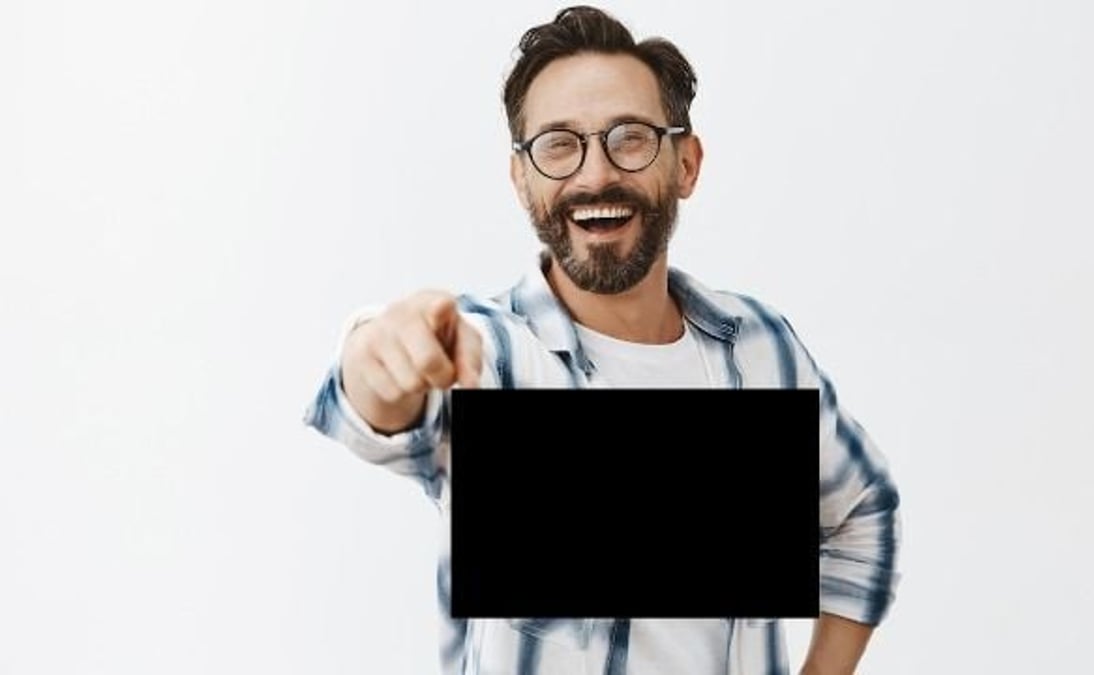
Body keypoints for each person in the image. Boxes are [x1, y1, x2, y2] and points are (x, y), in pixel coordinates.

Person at [304, 5, 901, 674]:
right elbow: (378, 407)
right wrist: (376, 352)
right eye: (559, 143)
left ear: (686, 163)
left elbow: (864, 510)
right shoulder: (490, 355)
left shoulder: (761, 347)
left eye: (631, 137)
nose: (594, 175)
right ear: (521, 177)